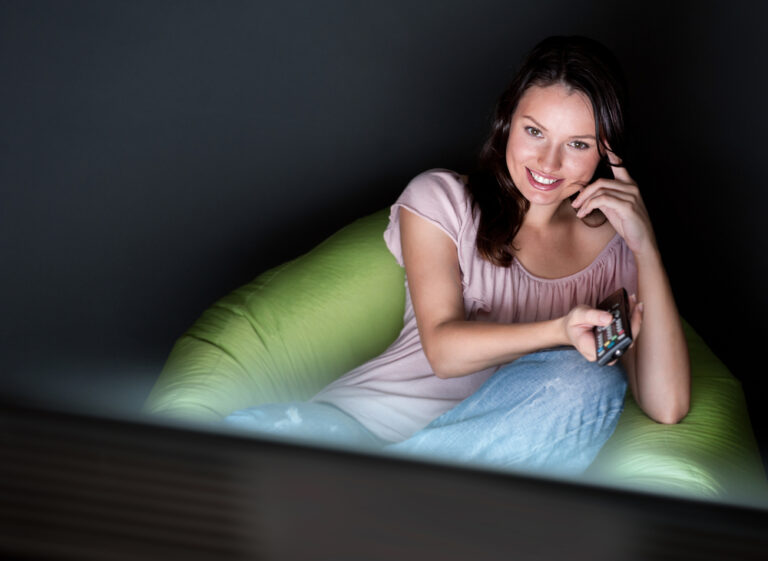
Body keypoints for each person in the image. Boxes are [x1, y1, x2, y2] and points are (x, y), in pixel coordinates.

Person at [224, 35, 691, 477]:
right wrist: (558, 331)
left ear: (605, 155)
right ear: (507, 122)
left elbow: (666, 404)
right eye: (534, 131)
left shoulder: (614, 252)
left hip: (471, 464)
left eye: (578, 145)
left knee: (591, 382)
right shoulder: (442, 199)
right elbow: (444, 351)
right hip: (357, 432)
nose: (548, 164)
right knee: (238, 450)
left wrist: (644, 243)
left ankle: (378, 504)